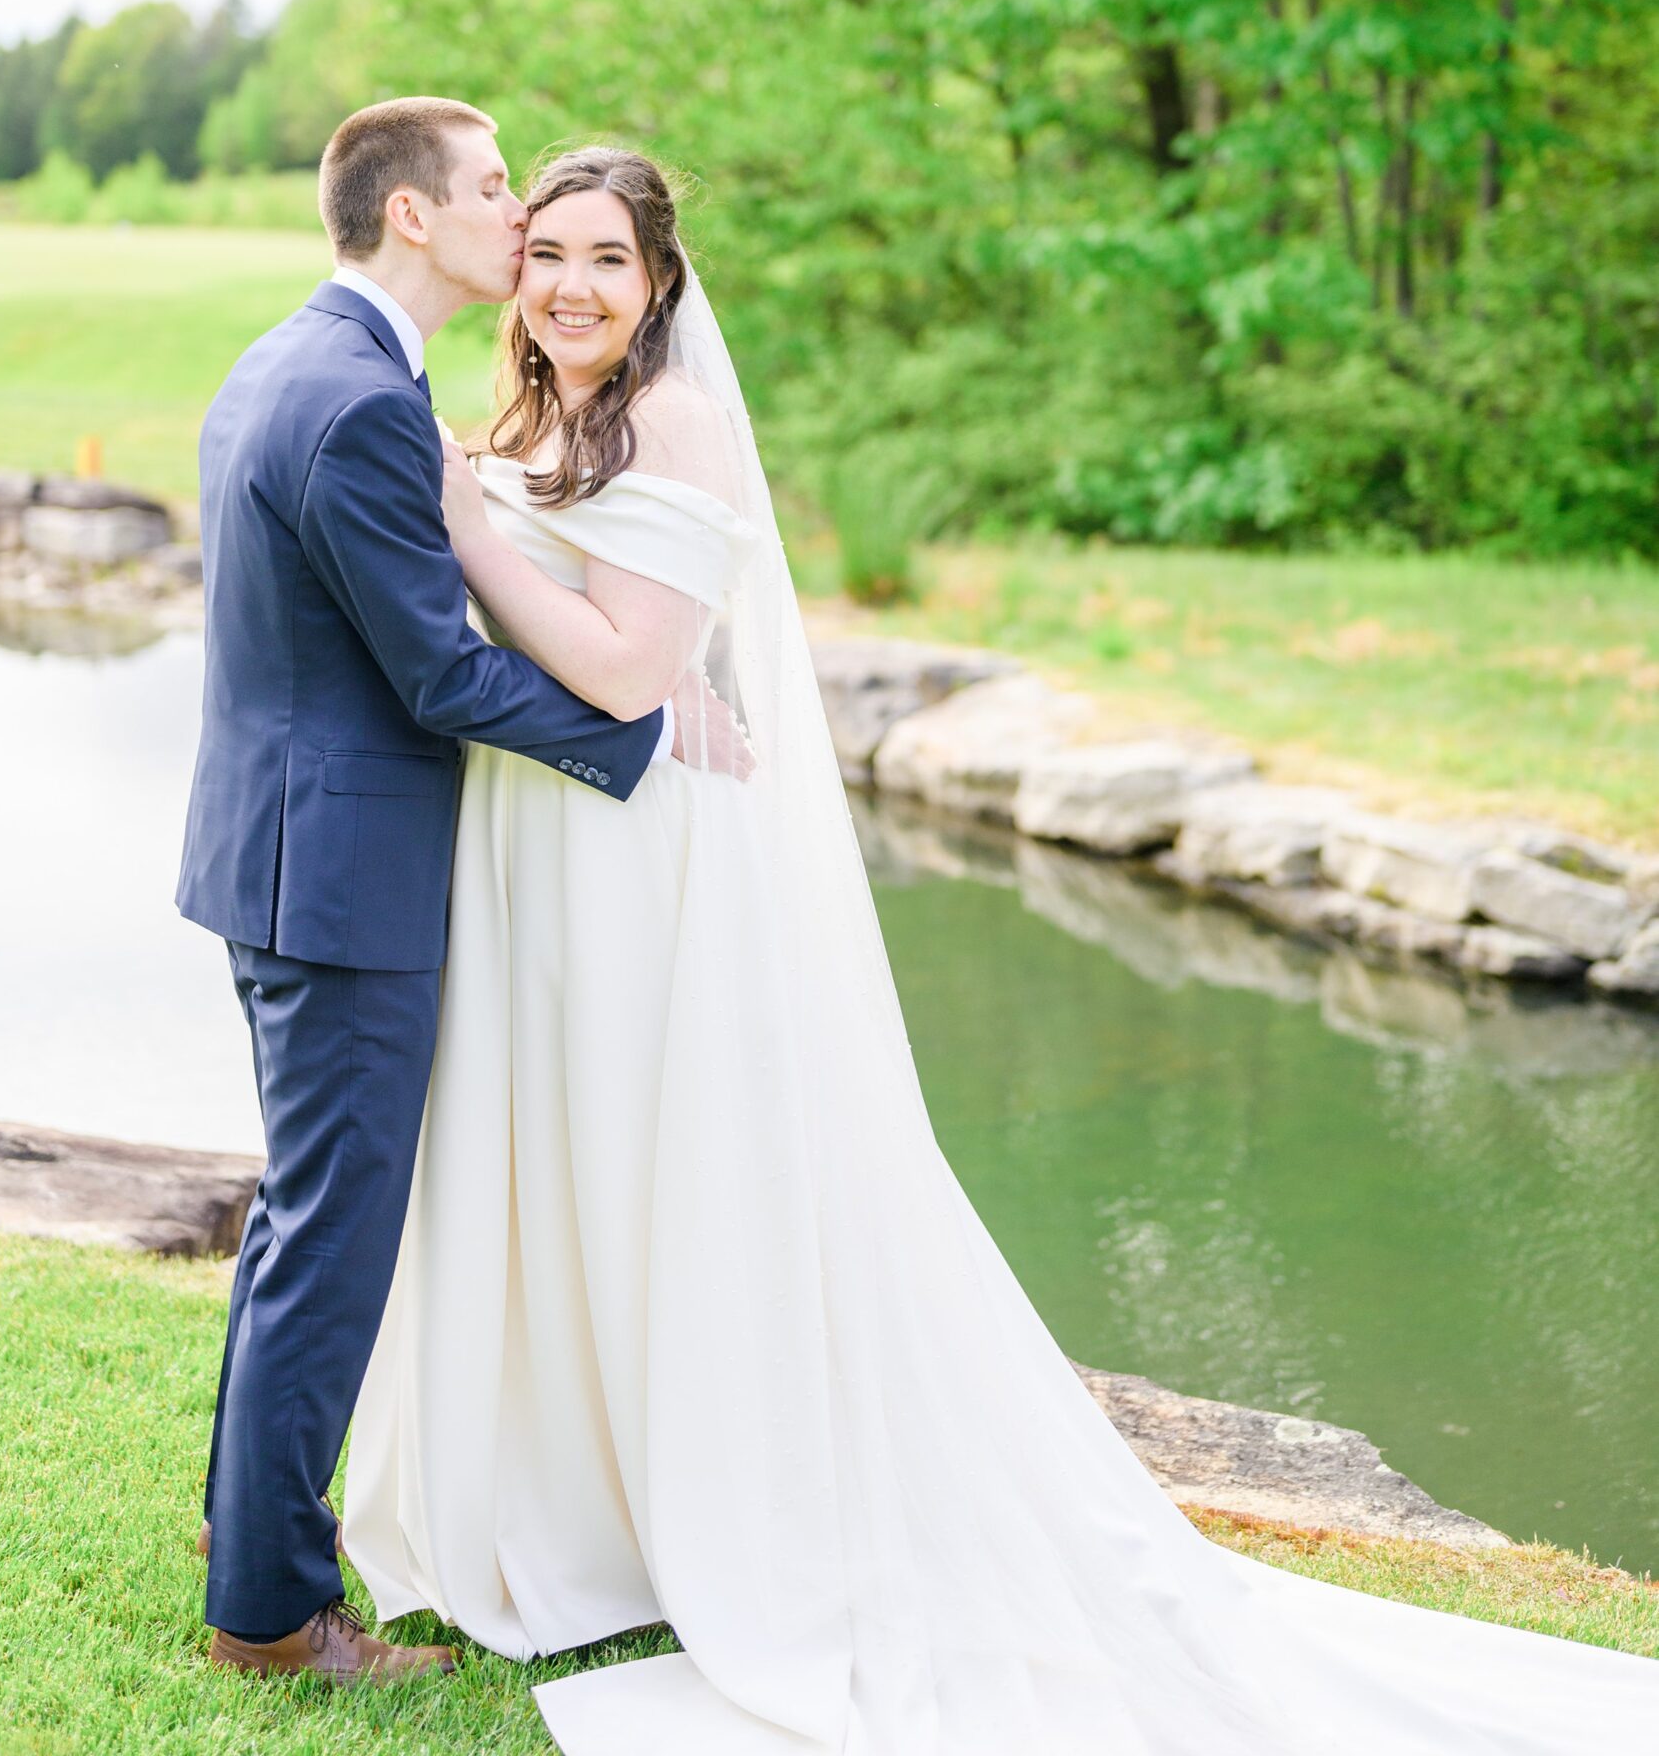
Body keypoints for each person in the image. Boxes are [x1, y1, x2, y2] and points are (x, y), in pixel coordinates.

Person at [344, 141, 1659, 1752]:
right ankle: (581, 1510)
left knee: (663, 1166)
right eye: (545, 251)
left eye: (607, 259)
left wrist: (470, 531)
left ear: (661, 279)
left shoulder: (670, 422)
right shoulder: (542, 414)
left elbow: (626, 673)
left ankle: (704, 1513)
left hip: (640, 861)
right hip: (541, 853)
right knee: (573, 1166)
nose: (568, 285)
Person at [174, 99, 746, 1681]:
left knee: (303, 1221)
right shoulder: (364, 403)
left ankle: (251, 1529)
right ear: (414, 217)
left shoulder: (296, 360)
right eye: (498, 192)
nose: (518, 216)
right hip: (342, 879)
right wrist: (643, 734)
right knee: (333, 1239)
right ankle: (274, 1616)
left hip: (282, 857)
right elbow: (436, 676)